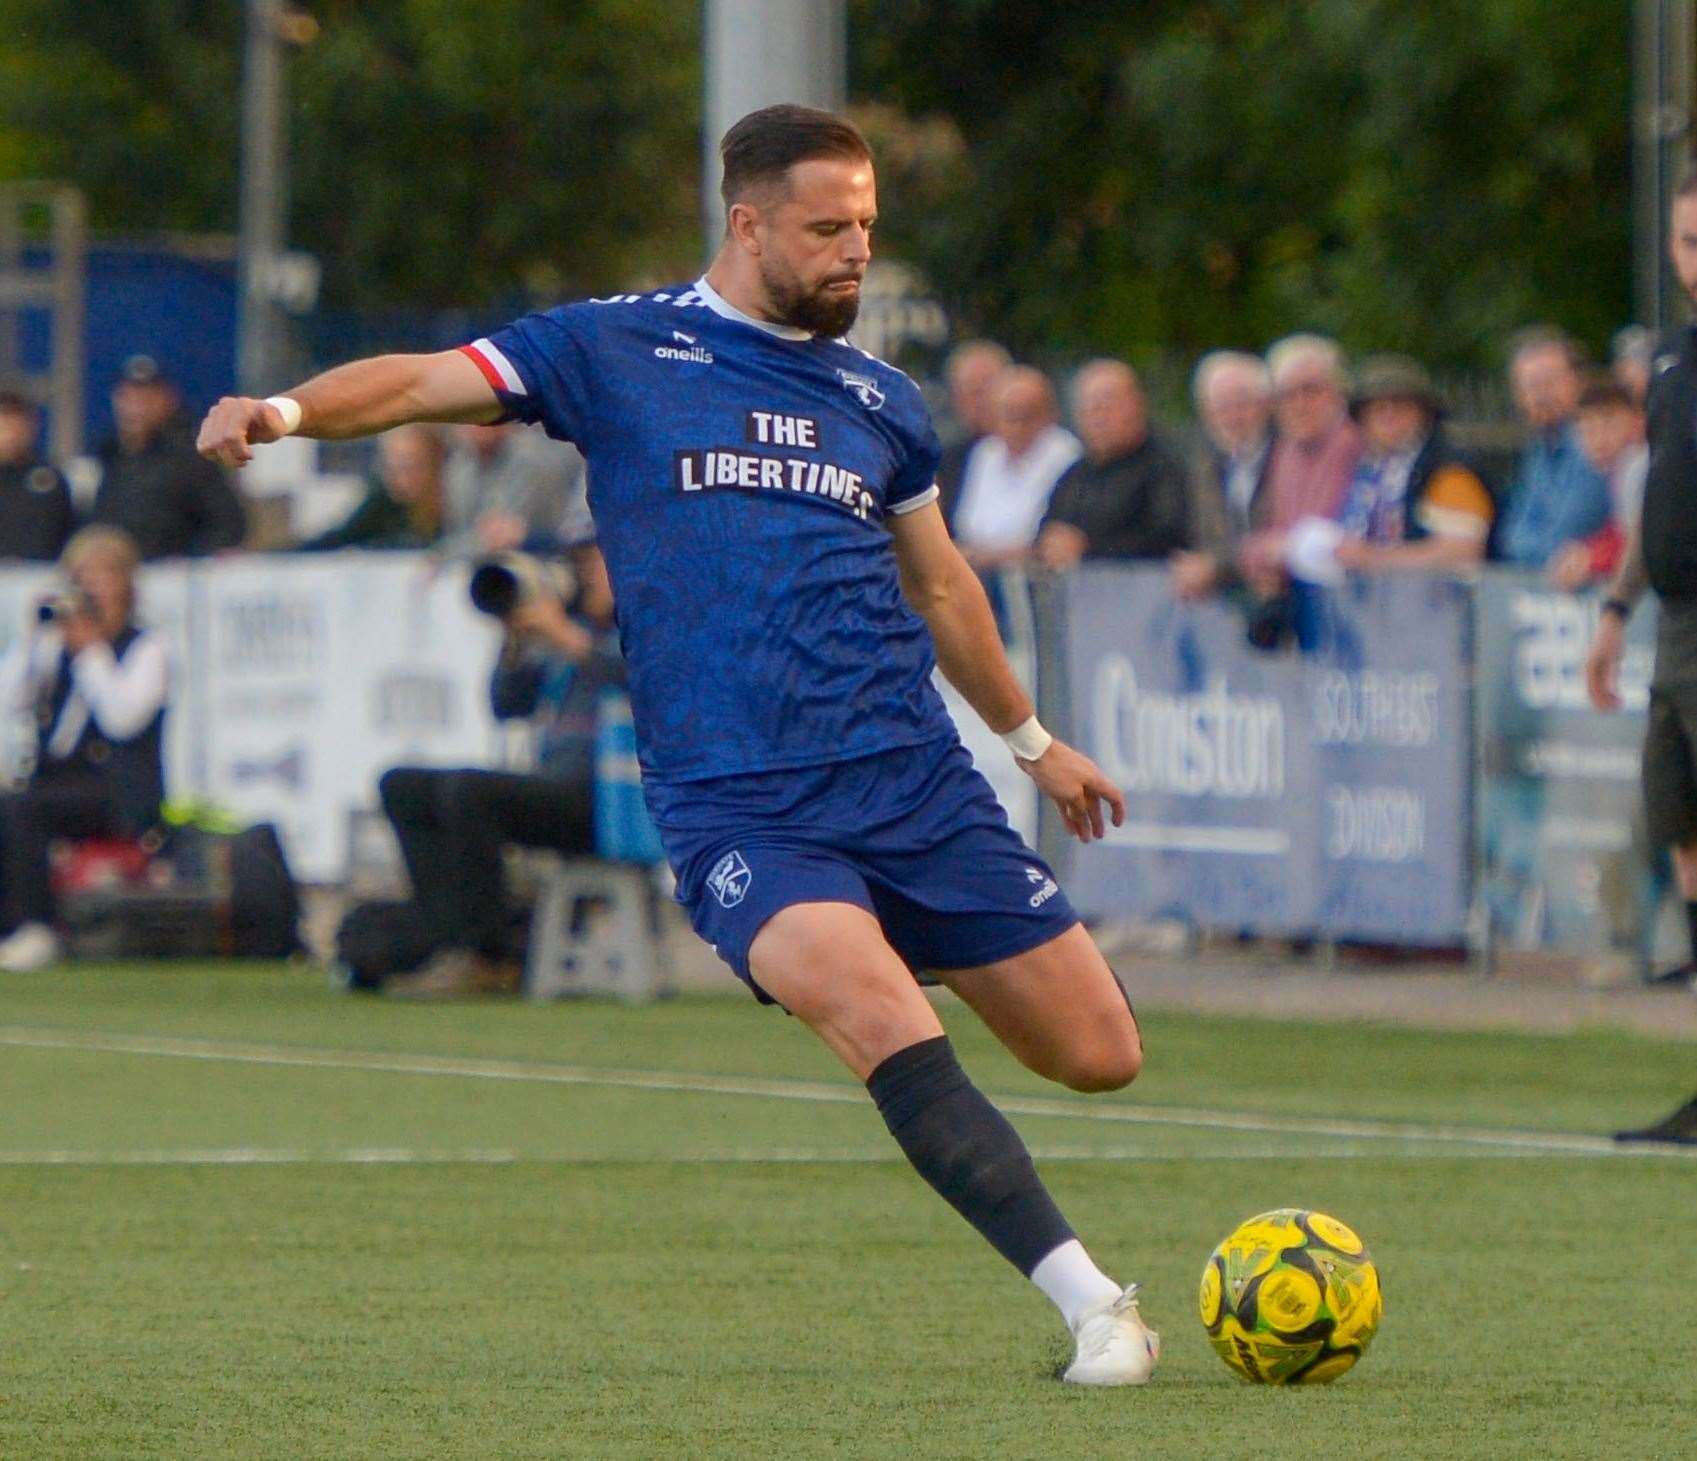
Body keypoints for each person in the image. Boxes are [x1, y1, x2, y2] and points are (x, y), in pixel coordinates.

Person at [198, 103, 1157, 1385]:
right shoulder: (612, 346)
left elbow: (940, 593)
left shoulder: (880, 397)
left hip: (910, 780)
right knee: (875, 1016)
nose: (853, 253)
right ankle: (1096, 1306)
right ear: (746, 222)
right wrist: (279, 409)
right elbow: (423, 382)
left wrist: (1033, 742)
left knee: (1098, 1055)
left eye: (865, 227)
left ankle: (887, 934)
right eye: (826, 228)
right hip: (738, 804)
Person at [379, 544, 624, 999]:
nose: (588, 575)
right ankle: (449, 940)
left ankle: (490, 957)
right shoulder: (571, 635)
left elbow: (642, 680)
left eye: (598, 564)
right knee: (403, 785)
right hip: (559, 786)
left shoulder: (648, 629)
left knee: (470, 792)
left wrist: (566, 637)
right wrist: (515, 641)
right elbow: (506, 705)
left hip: (617, 801)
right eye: (584, 564)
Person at [1585, 174, 1697, 1146]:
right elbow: (1655, 501)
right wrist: (1614, 609)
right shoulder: (1670, 363)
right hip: (1673, 627)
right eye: (1686, 239)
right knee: (1682, 835)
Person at [0, 526, 168, 972]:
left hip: (117, 790)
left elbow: (123, 719)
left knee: (23, 809)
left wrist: (92, 651)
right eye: (82, 577)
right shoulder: (55, 650)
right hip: (56, 782)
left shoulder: (145, 648)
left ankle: (38, 926)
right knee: (13, 803)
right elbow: (8, 698)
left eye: (103, 577)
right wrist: (36, 639)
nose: (91, 588)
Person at [1322, 355, 1494, 576]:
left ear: (1424, 413)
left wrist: (1370, 559)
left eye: (1400, 406)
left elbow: (1460, 553)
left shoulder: (1450, 470)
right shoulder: (1368, 471)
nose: (1388, 415)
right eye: (1377, 408)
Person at [1033, 359, 1193, 569]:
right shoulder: (1074, 475)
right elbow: (1049, 528)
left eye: (1108, 405)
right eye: (1090, 408)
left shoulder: (1164, 468)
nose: (1099, 417)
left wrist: (1090, 550)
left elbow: (1168, 539)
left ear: (1137, 404)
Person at [90, 355, 246, 560]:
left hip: (171, 578)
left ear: (168, 401)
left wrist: (192, 559)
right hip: (110, 573)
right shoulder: (105, 454)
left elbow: (226, 523)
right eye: (128, 398)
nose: (136, 408)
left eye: (147, 399)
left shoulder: (194, 456)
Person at [1495, 330, 1612, 570]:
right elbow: (1511, 533)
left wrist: (1529, 553)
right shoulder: (1539, 449)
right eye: (1530, 386)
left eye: (1549, 382)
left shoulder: (1594, 444)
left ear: (1580, 382)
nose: (1540, 395)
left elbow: (1572, 530)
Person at [950, 366, 1081, 570]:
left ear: (1049, 413)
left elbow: (1043, 540)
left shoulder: (1067, 456)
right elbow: (966, 526)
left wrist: (978, 556)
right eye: (1008, 415)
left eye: (1028, 414)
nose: (1017, 425)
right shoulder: (985, 453)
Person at [1172, 350, 1274, 600]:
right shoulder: (1201, 468)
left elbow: (1278, 537)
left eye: (1242, 404)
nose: (1232, 417)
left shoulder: (1284, 458)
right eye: (1221, 407)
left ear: (1266, 404)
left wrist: (1217, 568)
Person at [1548, 379, 1648, 592]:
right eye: (1587, 430)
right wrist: (1587, 551)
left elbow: (1644, 542)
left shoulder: (1639, 468)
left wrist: (1592, 559)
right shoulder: (1621, 472)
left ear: (1638, 422)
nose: (1598, 439)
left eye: (1609, 424)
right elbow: (1623, 530)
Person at [439, 420, 590, 560]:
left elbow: (501, 533)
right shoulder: (458, 467)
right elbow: (459, 532)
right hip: (468, 558)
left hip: (535, 557)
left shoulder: (530, 458)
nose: (476, 426)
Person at [296, 424, 448, 551]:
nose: (401, 478)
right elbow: (343, 536)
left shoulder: (458, 503)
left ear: (437, 459)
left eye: (411, 465)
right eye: (391, 467)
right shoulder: (384, 501)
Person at [934, 339, 1010, 529]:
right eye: (970, 391)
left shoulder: (1049, 451)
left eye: (987, 388)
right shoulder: (946, 463)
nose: (981, 401)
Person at [0, 389, 76, 562]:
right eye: (5, 424)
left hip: (39, 580)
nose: (11, 433)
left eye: (18, 423)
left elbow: (67, 535)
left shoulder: (51, 481)